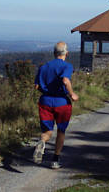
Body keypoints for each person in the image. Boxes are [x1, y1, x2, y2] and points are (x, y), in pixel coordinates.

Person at [33, 41, 79, 169]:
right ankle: (55, 160)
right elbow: (65, 80)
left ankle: (42, 141)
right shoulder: (67, 66)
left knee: (47, 132)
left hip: (45, 101)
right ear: (67, 53)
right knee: (61, 130)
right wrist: (72, 94)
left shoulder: (44, 67)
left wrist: (46, 90)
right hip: (61, 103)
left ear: (54, 53)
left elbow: (36, 86)